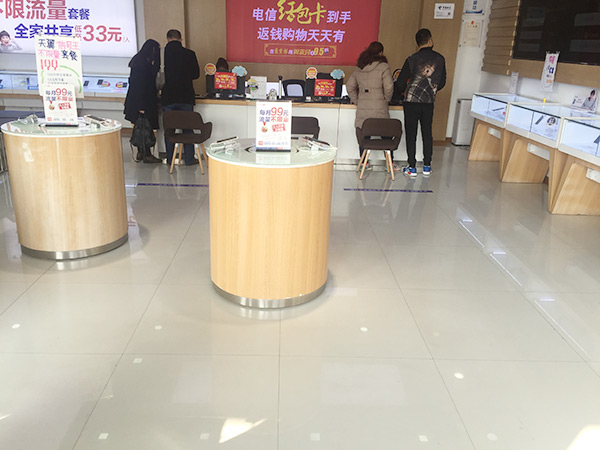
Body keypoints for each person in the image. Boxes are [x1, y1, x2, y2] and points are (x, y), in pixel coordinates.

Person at [395, 28, 446, 177]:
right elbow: (442, 82)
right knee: (427, 133)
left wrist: (405, 90)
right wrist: (432, 90)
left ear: (417, 43)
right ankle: (427, 166)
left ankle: (411, 167)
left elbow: (400, 82)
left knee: (411, 134)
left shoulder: (411, 59)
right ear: (430, 40)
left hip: (411, 102)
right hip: (428, 102)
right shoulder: (440, 59)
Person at [346, 41, 394, 167]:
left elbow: (349, 86)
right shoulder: (383, 67)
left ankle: (364, 163)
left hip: (363, 105)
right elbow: (389, 86)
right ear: (381, 53)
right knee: (386, 134)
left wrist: (356, 100)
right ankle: (389, 163)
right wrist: (386, 99)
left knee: (364, 134)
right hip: (380, 105)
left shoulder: (360, 68)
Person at [161, 29, 200, 166]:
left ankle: (170, 159)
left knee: (169, 130)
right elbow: (196, 74)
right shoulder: (190, 54)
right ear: (181, 39)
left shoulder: (162, 54)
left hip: (168, 97)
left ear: (167, 39)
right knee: (187, 128)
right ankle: (189, 159)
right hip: (185, 96)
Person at [124, 39, 162, 163]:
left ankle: (141, 152)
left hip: (136, 100)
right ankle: (147, 154)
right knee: (145, 127)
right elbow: (141, 85)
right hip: (142, 101)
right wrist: (141, 106)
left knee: (140, 127)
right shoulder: (143, 64)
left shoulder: (139, 60)